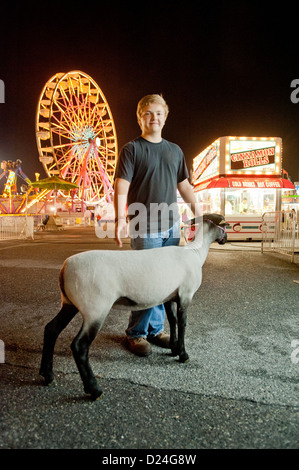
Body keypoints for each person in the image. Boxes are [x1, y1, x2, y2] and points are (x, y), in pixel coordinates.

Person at [113, 94, 198, 357]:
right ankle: (136, 334)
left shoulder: (175, 151)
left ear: (165, 116)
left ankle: (155, 329)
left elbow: (184, 186)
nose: (154, 118)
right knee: (144, 282)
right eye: (148, 113)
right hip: (144, 225)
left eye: (159, 113)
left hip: (172, 226)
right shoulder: (132, 149)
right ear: (140, 117)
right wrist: (119, 219)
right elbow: (121, 187)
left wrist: (199, 214)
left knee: (164, 282)